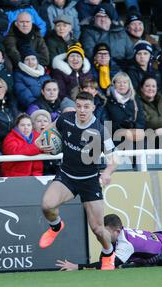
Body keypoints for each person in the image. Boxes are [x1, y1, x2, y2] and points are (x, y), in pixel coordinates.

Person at [35, 91, 119, 270]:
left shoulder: (100, 130)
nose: (82, 110)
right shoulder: (66, 118)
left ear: (93, 108)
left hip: (90, 180)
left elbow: (115, 158)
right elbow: (47, 132)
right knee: (47, 205)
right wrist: (41, 142)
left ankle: (108, 252)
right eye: (79, 106)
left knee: (97, 229)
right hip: (67, 175)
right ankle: (56, 226)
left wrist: (107, 172)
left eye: (86, 107)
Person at [56, 210, 162, 270]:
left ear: (117, 231)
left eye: (105, 232)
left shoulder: (125, 245)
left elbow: (106, 265)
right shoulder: (121, 235)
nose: (102, 235)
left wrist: (77, 266)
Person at [0, 113, 45, 177]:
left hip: (36, 175)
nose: (26, 127)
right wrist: (38, 148)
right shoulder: (10, 138)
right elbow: (16, 151)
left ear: (32, 127)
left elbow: (46, 148)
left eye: (29, 125)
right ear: (17, 126)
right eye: (22, 125)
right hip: (14, 177)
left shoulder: (38, 136)